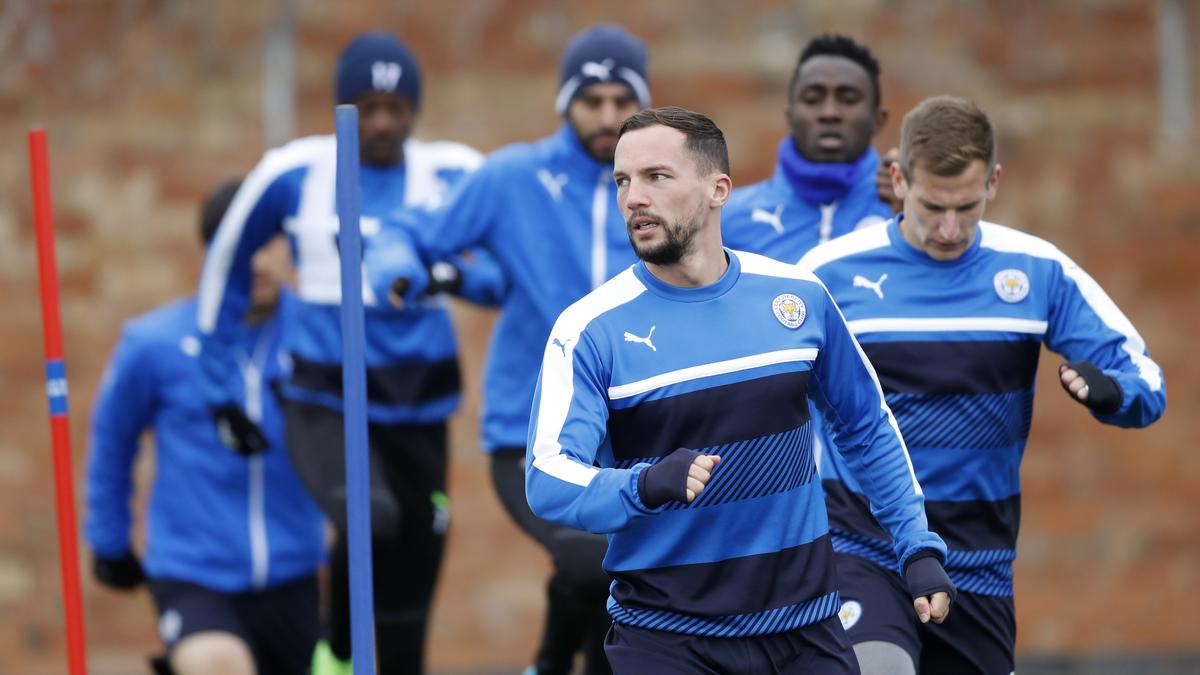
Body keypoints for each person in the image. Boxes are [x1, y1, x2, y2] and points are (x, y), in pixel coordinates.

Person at [525, 106, 955, 674]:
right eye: (624, 181)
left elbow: (866, 426)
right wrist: (642, 485)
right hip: (666, 640)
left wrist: (916, 545)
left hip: (806, 634)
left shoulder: (798, 298)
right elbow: (548, 476)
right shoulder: (588, 329)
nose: (634, 198)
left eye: (657, 177)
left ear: (718, 189)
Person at [799, 95, 1168, 675]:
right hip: (863, 546)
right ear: (900, 180)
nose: (949, 229)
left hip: (980, 561)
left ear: (993, 183)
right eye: (932, 207)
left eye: (966, 207)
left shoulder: (1038, 270)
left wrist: (1115, 393)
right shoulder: (827, 274)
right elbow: (759, 386)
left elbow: (1144, 379)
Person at [195, 32, 502, 674]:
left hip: (418, 403)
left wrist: (446, 275)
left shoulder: (454, 173)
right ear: (342, 106)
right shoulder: (295, 172)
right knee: (369, 518)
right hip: (323, 395)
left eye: (397, 108)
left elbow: (508, 272)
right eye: (367, 107)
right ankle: (335, 655)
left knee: (417, 556)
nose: (383, 123)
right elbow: (226, 263)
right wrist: (219, 388)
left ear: (416, 109)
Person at [371, 23, 653, 675]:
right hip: (529, 438)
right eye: (591, 101)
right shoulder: (510, 178)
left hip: (636, 440)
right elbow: (407, 232)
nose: (606, 117)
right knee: (591, 562)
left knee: (627, 604)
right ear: (565, 103)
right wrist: (398, 271)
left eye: (621, 101)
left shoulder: (662, 185)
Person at [85, 180, 326, 675]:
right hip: (195, 573)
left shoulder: (322, 333)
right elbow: (113, 441)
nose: (256, 262)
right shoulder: (155, 343)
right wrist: (109, 541)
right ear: (212, 255)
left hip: (297, 571)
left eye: (267, 244)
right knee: (217, 665)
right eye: (239, 247)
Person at [723, 34, 898, 263]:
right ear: (790, 116)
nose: (829, 113)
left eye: (848, 99)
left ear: (878, 120)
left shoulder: (909, 209)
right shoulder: (727, 219)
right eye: (812, 99)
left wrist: (910, 215)